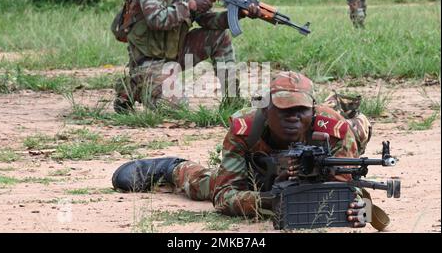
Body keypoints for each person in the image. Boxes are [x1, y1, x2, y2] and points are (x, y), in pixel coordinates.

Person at [112, 71, 373, 228]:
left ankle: (352, 117)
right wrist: (268, 201)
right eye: (284, 110)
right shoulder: (245, 129)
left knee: (357, 129)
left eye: (301, 110)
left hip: (323, 166)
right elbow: (225, 195)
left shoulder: (333, 129)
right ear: (266, 110)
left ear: (313, 110)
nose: (293, 117)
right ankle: (173, 168)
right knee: (207, 185)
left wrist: (361, 209)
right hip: (259, 169)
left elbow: (349, 189)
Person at [113, 0, 261, 113]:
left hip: (175, 54)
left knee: (220, 36)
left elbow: (210, 21)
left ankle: (233, 101)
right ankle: (130, 87)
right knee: (176, 109)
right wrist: (190, 6)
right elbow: (156, 19)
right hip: (148, 60)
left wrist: (240, 14)